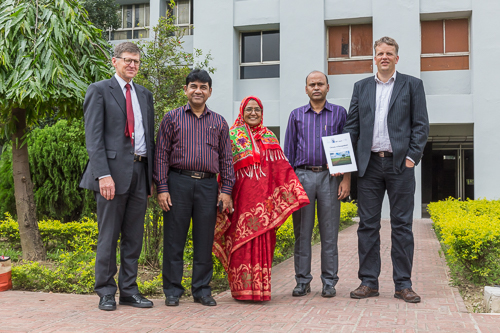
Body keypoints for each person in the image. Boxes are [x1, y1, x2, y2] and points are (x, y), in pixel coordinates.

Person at [343, 37, 429, 303]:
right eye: (380, 53)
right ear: (374, 57)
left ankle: (403, 284)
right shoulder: (361, 87)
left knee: (402, 225)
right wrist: (346, 163)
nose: (384, 57)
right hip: (368, 166)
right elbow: (351, 126)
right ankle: (368, 282)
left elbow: (421, 125)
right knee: (367, 225)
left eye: (389, 53)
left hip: (400, 164)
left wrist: (412, 158)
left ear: (396, 58)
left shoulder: (412, 85)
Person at [80, 42, 155, 311]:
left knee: (134, 237)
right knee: (109, 235)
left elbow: (150, 138)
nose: (132, 65)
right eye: (127, 60)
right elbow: (94, 137)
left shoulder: (145, 95)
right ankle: (105, 291)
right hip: (111, 175)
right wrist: (102, 174)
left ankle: (129, 290)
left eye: (136, 61)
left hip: (140, 170)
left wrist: (152, 177)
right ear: (115, 61)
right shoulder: (99, 90)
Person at [213, 96, 310, 301]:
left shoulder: (270, 137)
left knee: (263, 243)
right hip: (240, 202)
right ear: (242, 111)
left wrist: (294, 192)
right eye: (249, 109)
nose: (253, 113)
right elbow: (224, 168)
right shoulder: (232, 136)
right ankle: (241, 291)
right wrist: (225, 195)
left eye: (257, 109)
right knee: (240, 242)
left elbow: (281, 169)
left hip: (264, 205)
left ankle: (260, 290)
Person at [154, 69, 235, 307]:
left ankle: (201, 289)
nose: (198, 91)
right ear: (185, 90)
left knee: (203, 240)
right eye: (193, 86)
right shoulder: (171, 118)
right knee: (173, 239)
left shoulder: (219, 122)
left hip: (208, 186)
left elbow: (226, 159)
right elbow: (161, 156)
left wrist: (226, 190)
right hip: (178, 183)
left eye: (203, 87)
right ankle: (172, 290)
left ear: (210, 92)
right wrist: (162, 187)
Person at [284, 71, 350, 298]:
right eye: (312, 84)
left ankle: (329, 282)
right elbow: (289, 153)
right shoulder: (296, 115)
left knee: (329, 233)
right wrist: (290, 186)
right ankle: (302, 281)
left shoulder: (339, 114)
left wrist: (346, 179)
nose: (316, 87)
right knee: (302, 233)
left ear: (328, 87)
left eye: (320, 84)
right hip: (302, 177)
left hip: (330, 178)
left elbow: (345, 147)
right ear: (306, 89)